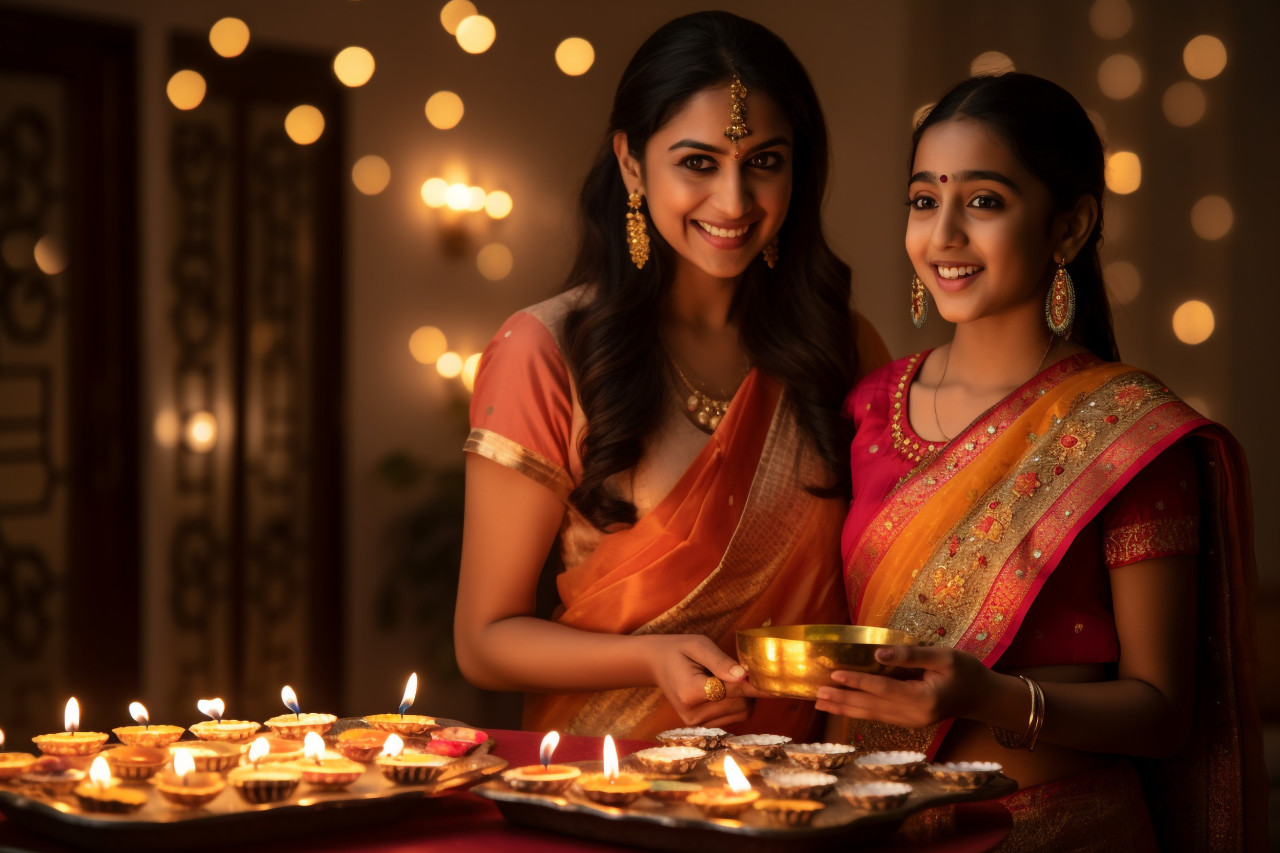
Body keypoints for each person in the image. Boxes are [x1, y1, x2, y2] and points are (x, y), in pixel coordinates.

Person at [816, 73, 1263, 851]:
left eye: (983, 201)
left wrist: (989, 694)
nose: (944, 235)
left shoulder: (1125, 432)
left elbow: (1164, 711)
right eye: (925, 201)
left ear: (1069, 227)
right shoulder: (867, 407)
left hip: (1059, 832)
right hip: (878, 831)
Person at [454, 11, 885, 742]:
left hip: (803, 793)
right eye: (697, 162)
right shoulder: (546, 351)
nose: (734, 201)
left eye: (764, 161)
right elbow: (484, 640)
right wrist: (650, 658)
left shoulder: (837, 348)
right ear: (631, 162)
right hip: (611, 782)